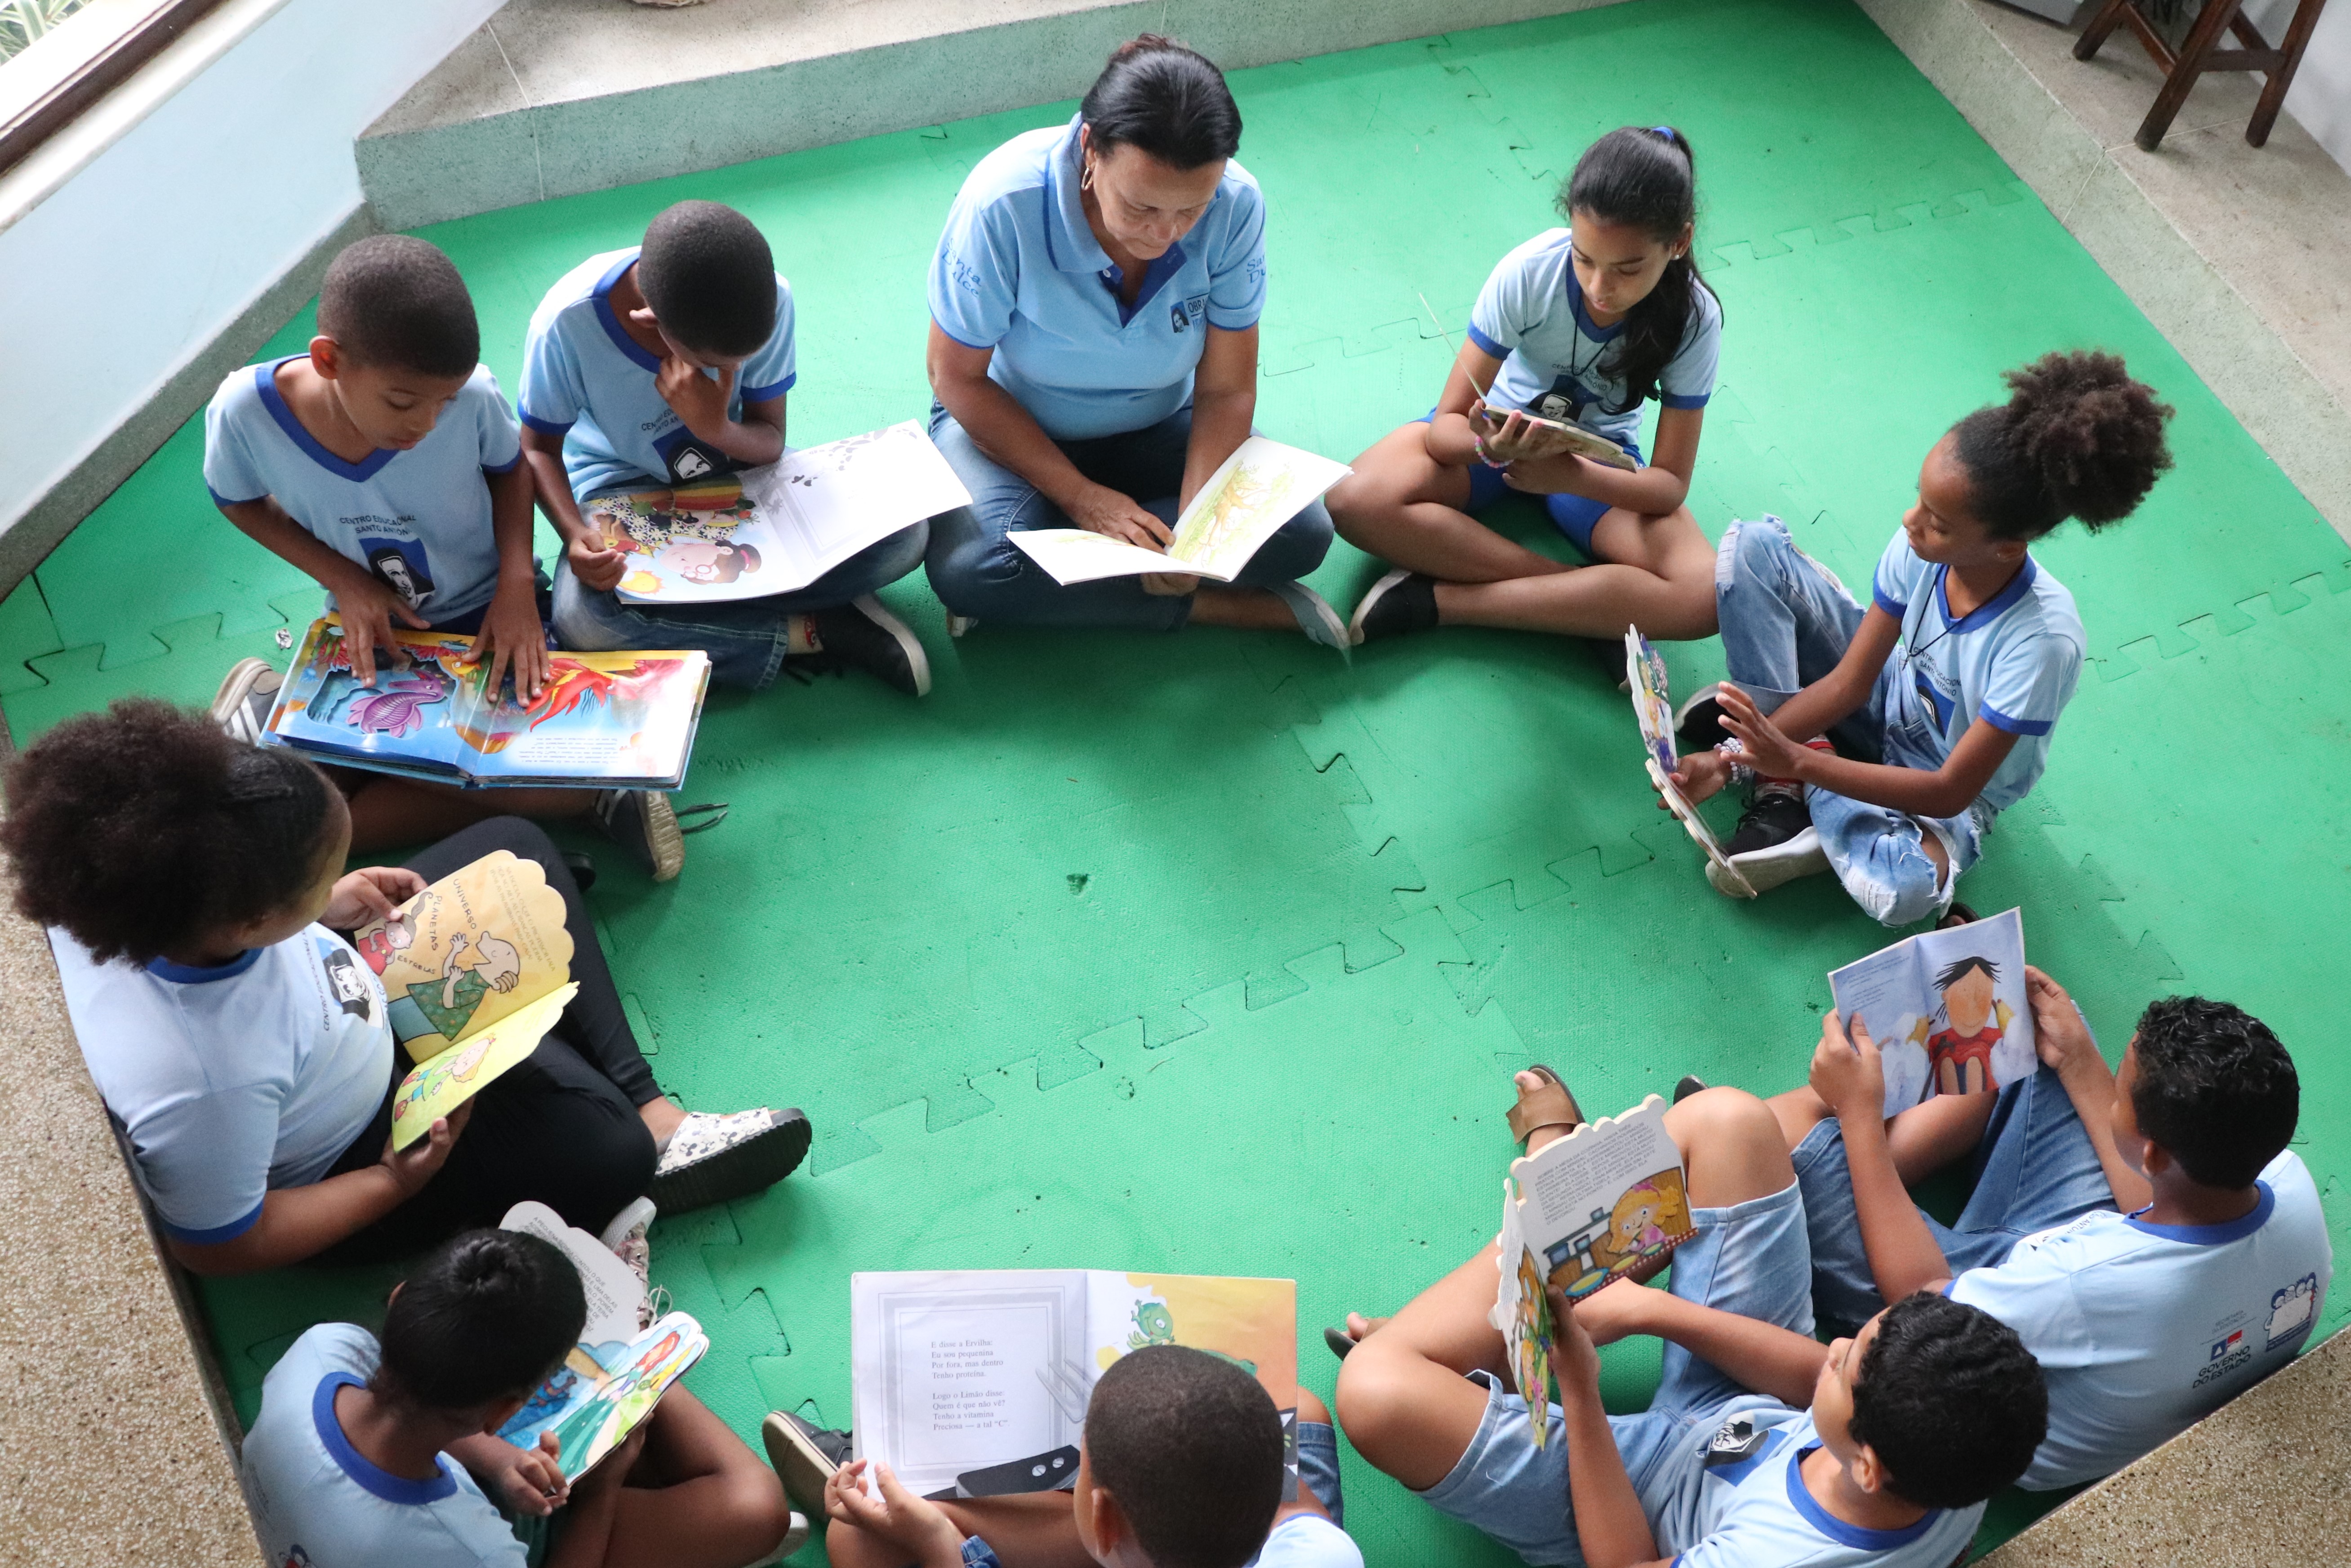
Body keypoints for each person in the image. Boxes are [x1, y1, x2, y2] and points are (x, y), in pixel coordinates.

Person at [4, 699, 810, 1274]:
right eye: (319, 871)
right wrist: (392, 1179)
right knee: (611, 1150)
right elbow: (221, 1244)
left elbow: (244, 929)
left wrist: (328, 907)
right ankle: (649, 1123)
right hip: (366, 1144)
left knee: (513, 844)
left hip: (344, 998)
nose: (336, 874)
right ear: (252, 918)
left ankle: (607, 1070)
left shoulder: (134, 891)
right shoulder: (201, 1076)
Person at [1332, 1068, 2047, 1568]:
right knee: (1728, 1119)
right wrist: (1658, 1311)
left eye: (1845, 1366)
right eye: (1855, 1343)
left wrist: (1579, 1393)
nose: (1831, 1351)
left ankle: (1474, 1325)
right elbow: (1805, 1376)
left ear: (1868, 1465)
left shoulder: (1777, 1557)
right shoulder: (1963, 1462)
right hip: (1741, 1407)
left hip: (1636, 1497)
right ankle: (1485, 1329)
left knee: (1375, 1391)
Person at [202, 235, 677, 872]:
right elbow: (238, 501)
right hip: (379, 630)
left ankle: (299, 790)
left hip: (490, 616)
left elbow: (512, 473)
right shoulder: (244, 411)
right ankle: (569, 800)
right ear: (328, 360)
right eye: (402, 402)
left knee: (292, 814)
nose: (424, 424)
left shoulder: (475, 398)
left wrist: (515, 584)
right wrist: (344, 579)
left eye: (442, 402)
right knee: (528, 780)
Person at [1663, 350, 2175, 922]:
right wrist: (1726, 760)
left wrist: (1796, 761)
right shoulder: (1919, 545)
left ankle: (1801, 760)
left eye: (1938, 522)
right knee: (1755, 548)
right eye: (1920, 501)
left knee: (1906, 890)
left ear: (2006, 547)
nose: (1911, 522)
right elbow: (1850, 685)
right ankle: (1801, 777)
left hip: (1942, 782)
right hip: (1885, 698)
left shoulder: (2044, 642)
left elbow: (1951, 790)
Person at [1778, 966, 2333, 1491]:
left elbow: (1921, 1300)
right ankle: (1861, 1138)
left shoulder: (2081, 1283)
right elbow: (2158, 1200)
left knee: (1798, 1132)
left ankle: (1802, 1140)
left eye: (2119, 1093)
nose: (2112, 1091)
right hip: (2099, 1284)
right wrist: (2080, 1060)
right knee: (2043, 1034)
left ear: (2152, 1153)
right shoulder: (2288, 1181)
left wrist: (1856, 1115)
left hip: (1985, 1347)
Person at [921, 36, 1345, 646]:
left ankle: (1071, 584)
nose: (1165, 234)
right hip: (1008, 427)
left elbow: (1225, 389)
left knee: (1303, 532)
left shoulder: (1237, 204)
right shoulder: (1002, 202)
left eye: (1191, 211)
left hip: (1155, 425)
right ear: (1090, 149)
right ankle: (1201, 608)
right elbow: (955, 377)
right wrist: (1084, 498)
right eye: (1140, 206)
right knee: (975, 570)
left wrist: (1198, 536)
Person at [521, 199, 935, 697]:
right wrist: (572, 533)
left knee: (905, 535)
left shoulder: (770, 299)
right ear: (652, 321)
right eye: (716, 365)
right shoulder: (567, 323)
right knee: (584, 621)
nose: (732, 374)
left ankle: (702, 620)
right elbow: (539, 448)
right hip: (618, 489)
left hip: (734, 473)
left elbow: (769, 442)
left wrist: (714, 427)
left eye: (744, 363)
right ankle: (814, 629)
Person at [1332, 127, 1722, 651]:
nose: (1599, 288)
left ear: (1678, 243)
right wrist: (1489, 447)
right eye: (1584, 258)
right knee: (1351, 497)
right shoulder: (1530, 271)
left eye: (1627, 269)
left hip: (1595, 468)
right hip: (1499, 437)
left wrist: (1570, 474)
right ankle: (1581, 607)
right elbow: (1445, 429)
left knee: (1706, 594)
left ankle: (1448, 604)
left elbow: (1668, 484)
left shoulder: (1695, 318)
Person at [240, 1229, 798, 1568]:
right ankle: (626, 1341)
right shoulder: (475, 1548)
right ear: (506, 1409)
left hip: (348, 1521)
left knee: (640, 1463)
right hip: (468, 1537)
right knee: (757, 1508)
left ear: (400, 1299)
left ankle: (618, 1354)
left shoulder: (321, 1349)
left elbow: (405, 1408)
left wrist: (503, 1461)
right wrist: (603, 1488)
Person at [807, 1344, 1359, 1568]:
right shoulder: (1322, 1554)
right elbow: (1288, 1506)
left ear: (1103, 1518)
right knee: (1297, 1405)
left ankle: (885, 1479)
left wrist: (935, 1542)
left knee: (856, 1540)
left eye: (1081, 1464)